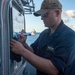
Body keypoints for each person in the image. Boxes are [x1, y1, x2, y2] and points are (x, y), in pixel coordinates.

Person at [10, 0, 75, 75]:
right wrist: (24, 44)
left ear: (57, 13)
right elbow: (33, 52)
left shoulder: (70, 36)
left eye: (44, 14)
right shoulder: (44, 33)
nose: (41, 18)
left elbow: (54, 69)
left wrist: (22, 51)